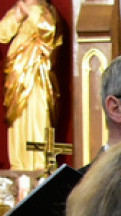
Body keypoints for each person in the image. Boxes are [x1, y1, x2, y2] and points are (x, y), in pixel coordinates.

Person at [0, 0, 61, 171]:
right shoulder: (18, 8)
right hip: (17, 77)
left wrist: (30, 11)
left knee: (38, 114)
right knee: (18, 118)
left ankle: (39, 164)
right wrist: (17, 16)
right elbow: (2, 34)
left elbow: (48, 31)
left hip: (36, 75)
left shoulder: (47, 10)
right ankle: (19, 165)